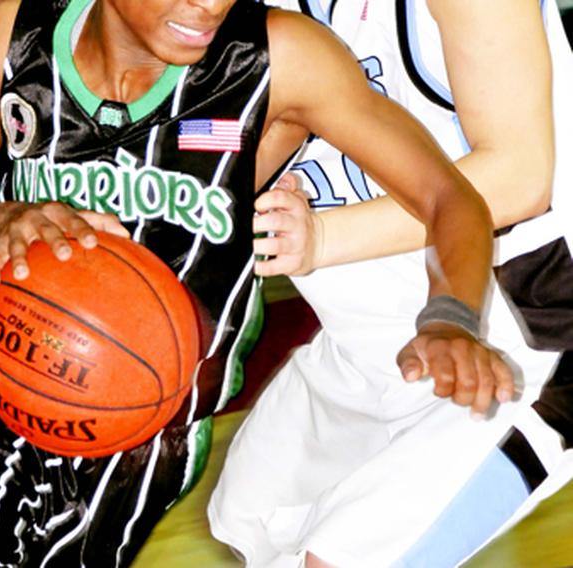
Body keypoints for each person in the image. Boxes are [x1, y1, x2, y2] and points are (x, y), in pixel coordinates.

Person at [0, 0, 514, 565]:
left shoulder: (279, 57)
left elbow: (448, 198)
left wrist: (449, 316)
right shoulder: (19, 33)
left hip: (146, 424)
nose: (207, 6)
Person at [209, 1, 573, 566]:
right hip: (370, 343)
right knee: (246, 525)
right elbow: (201, 146)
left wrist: (321, 238)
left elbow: (519, 177)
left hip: (521, 348)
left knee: (337, 558)